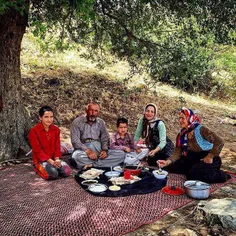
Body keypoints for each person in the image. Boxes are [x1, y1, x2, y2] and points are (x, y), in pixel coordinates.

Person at [157, 107, 230, 183]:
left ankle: (223, 175)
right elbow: (177, 152)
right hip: (193, 158)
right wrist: (167, 162)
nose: (180, 121)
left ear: (190, 118)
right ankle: (195, 169)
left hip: (208, 158)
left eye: (182, 118)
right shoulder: (181, 135)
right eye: (179, 118)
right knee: (171, 167)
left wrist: (210, 156)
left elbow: (220, 141)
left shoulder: (201, 129)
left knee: (193, 176)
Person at [70, 102, 125, 169]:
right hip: (83, 149)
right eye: (91, 110)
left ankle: (93, 165)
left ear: (98, 112)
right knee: (76, 156)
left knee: (121, 154)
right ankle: (105, 163)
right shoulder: (77, 122)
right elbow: (75, 141)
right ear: (86, 110)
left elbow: (105, 138)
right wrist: (87, 151)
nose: (93, 113)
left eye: (96, 111)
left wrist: (104, 150)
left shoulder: (101, 122)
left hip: (98, 147)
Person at [28, 106, 71, 180]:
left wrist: (57, 159)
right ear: (40, 117)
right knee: (53, 174)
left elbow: (57, 146)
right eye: (46, 117)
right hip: (41, 160)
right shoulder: (34, 131)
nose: (49, 119)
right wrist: (50, 161)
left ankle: (54, 167)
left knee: (66, 171)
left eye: (51, 117)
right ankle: (37, 167)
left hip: (54, 159)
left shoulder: (56, 130)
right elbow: (37, 150)